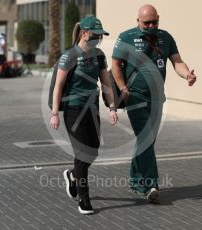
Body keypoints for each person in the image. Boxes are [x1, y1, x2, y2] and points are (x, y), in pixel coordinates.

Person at [111, 4, 197, 201]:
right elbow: (115, 64)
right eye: (146, 22)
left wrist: (187, 75)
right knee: (146, 138)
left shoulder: (165, 37)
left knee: (145, 140)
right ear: (138, 21)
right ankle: (151, 185)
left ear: (159, 18)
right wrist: (123, 87)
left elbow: (177, 61)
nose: (151, 26)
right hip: (135, 97)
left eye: (154, 22)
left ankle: (134, 180)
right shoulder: (126, 37)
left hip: (157, 98)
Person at [50, 16, 118, 215]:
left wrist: (112, 107)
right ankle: (84, 200)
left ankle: (72, 175)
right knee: (82, 153)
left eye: (101, 36)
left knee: (93, 150)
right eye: (96, 35)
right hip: (73, 109)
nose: (99, 38)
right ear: (84, 33)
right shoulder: (69, 56)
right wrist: (55, 113)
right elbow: (58, 86)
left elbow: (106, 83)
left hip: (92, 109)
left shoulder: (98, 56)